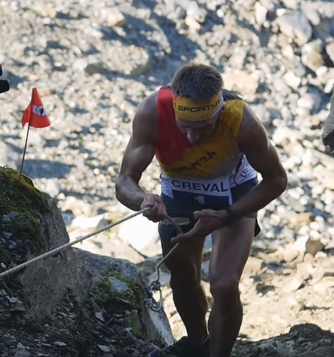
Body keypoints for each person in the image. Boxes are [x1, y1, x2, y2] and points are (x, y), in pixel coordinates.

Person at [115, 63, 287, 357]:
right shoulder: (152, 112)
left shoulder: (242, 121)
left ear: (218, 112)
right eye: (186, 128)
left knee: (224, 283)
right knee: (182, 277)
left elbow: (277, 179)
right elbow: (125, 182)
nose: (194, 137)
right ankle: (197, 343)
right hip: (179, 192)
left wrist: (228, 215)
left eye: (204, 127)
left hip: (234, 195)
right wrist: (144, 200)